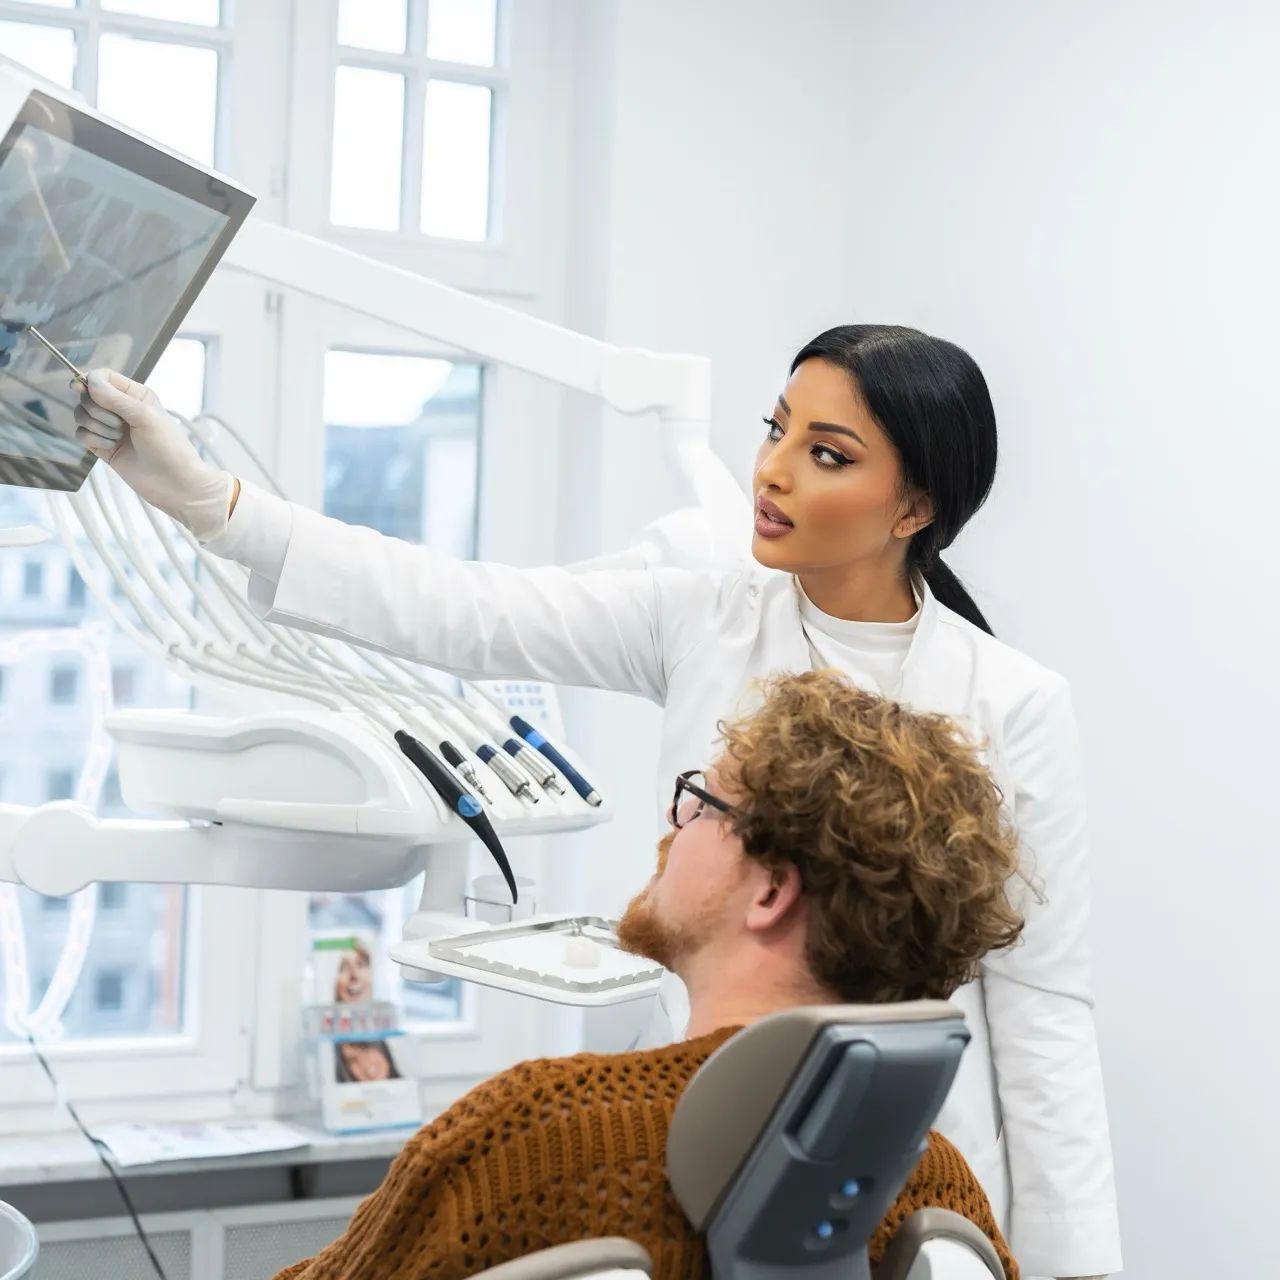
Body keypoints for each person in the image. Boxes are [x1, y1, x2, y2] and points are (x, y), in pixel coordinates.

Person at [73, 323, 1119, 1279]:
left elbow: (1040, 1014)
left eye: (826, 452)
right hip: (691, 1132)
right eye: (775, 429)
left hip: (895, 1172)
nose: (772, 469)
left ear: (915, 506)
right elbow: (467, 608)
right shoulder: (704, 614)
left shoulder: (1009, 701)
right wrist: (211, 504)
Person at [274, 670, 1024, 1280]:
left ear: (770, 891)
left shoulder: (539, 1139)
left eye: (700, 805)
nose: (672, 828)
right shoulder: (940, 1191)